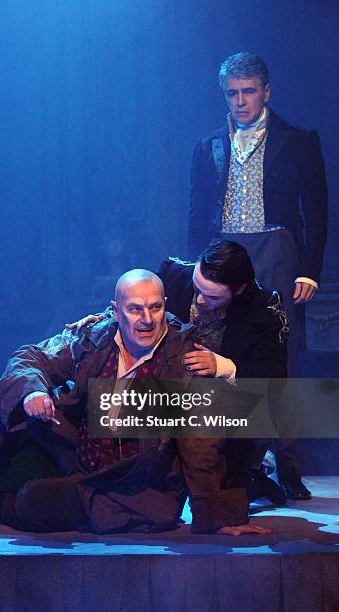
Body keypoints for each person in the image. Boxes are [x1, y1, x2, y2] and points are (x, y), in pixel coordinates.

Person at [0, 270, 267, 536]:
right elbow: (29, 358)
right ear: (116, 311)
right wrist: (34, 392)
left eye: (154, 308)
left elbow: (199, 443)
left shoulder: (183, 358)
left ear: (165, 307)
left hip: (132, 483)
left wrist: (213, 513)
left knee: (33, 500)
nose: (146, 319)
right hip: (77, 453)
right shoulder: (95, 337)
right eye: (134, 309)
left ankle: (1, 505)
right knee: (8, 390)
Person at [187, 52, 328, 500]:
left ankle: (287, 467)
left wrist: (309, 269)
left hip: (277, 247)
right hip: (224, 249)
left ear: (267, 91)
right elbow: (195, 213)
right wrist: (197, 270)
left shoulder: (298, 140)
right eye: (233, 93)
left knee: (281, 356)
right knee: (219, 350)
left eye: (249, 91)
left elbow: (317, 209)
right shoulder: (208, 144)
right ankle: (233, 465)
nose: (241, 101)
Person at [68, 241, 289, 505]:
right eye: (197, 289)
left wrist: (224, 366)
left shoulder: (264, 308)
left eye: (213, 297)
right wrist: (105, 320)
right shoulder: (174, 274)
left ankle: (256, 471)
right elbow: (137, 302)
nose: (200, 300)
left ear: (239, 290)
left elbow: (274, 375)